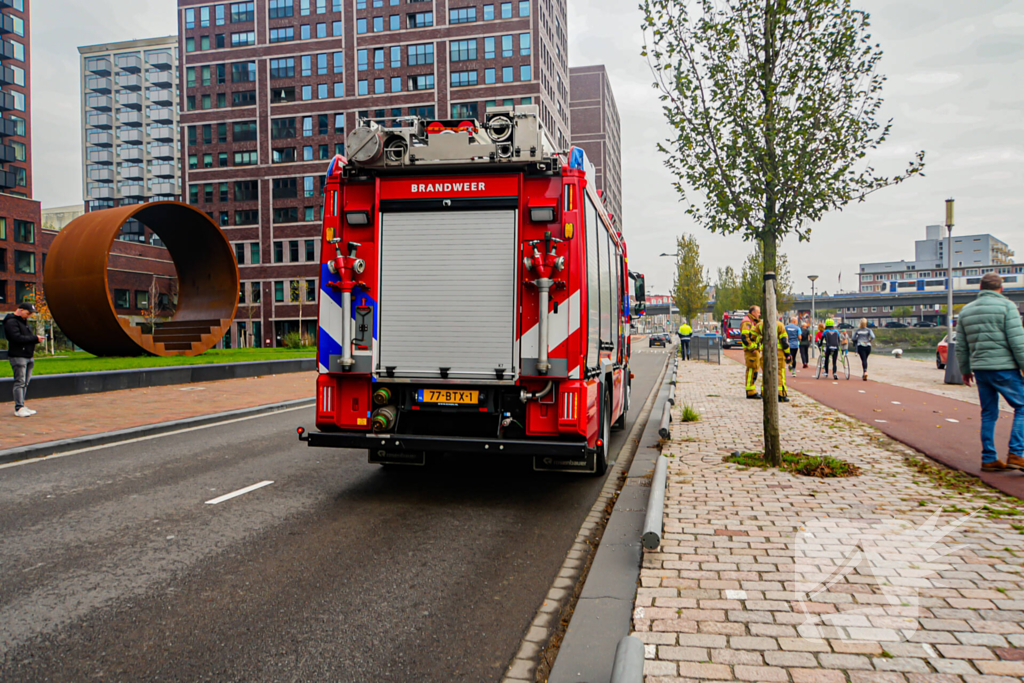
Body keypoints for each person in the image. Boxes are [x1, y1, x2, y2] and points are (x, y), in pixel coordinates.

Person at [955, 272, 1024, 472]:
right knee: (1022, 406)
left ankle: (989, 458)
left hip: (981, 370)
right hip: (1004, 368)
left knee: (988, 413)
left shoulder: (966, 310)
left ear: (980, 288)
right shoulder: (1007, 306)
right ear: (1001, 288)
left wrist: (965, 369)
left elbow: (961, 345)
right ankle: (1016, 454)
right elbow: (1018, 342)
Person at [3, 302, 44, 417]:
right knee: (20, 382)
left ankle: (21, 405)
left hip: (27, 355)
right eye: (28, 313)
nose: (30, 315)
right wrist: (34, 338)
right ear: (20, 310)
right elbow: (16, 338)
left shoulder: (23, 322)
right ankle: (19, 408)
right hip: (18, 356)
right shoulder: (11, 322)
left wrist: (35, 340)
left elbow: (26, 337)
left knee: (25, 382)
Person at [754, 317, 793, 402]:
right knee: (779, 373)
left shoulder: (760, 325)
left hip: (765, 351)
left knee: (766, 372)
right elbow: (784, 341)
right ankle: (780, 394)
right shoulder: (780, 325)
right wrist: (788, 354)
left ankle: (764, 392)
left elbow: (752, 336)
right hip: (778, 352)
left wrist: (756, 346)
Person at [740, 305, 762, 399]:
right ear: (753, 312)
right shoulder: (747, 322)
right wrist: (752, 348)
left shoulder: (753, 321)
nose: (759, 314)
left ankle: (752, 389)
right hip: (751, 351)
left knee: (754, 370)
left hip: (754, 350)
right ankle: (750, 391)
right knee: (751, 370)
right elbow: (745, 337)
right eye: (758, 312)